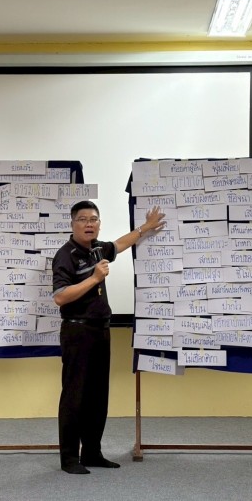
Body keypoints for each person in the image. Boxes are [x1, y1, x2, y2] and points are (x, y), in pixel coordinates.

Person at [52, 200, 166, 474]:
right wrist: (94, 278)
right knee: (75, 396)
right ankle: (70, 459)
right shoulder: (65, 255)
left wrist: (145, 228)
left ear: (99, 224)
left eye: (93, 219)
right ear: (72, 224)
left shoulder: (98, 249)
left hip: (101, 330)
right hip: (77, 331)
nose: (89, 224)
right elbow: (60, 297)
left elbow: (121, 244)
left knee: (97, 395)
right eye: (82, 219)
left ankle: (92, 452)